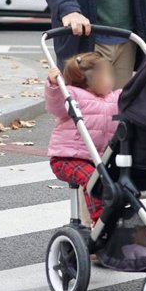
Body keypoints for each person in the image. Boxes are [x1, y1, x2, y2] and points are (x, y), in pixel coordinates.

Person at [46, 52, 121, 224]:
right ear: (91, 80)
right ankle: (99, 222)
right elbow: (55, 104)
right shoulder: (73, 94)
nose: (111, 80)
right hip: (66, 158)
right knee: (94, 180)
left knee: (113, 180)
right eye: (107, 76)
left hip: (97, 160)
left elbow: (131, 95)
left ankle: (113, 219)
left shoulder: (112, 98)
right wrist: (54, 84)